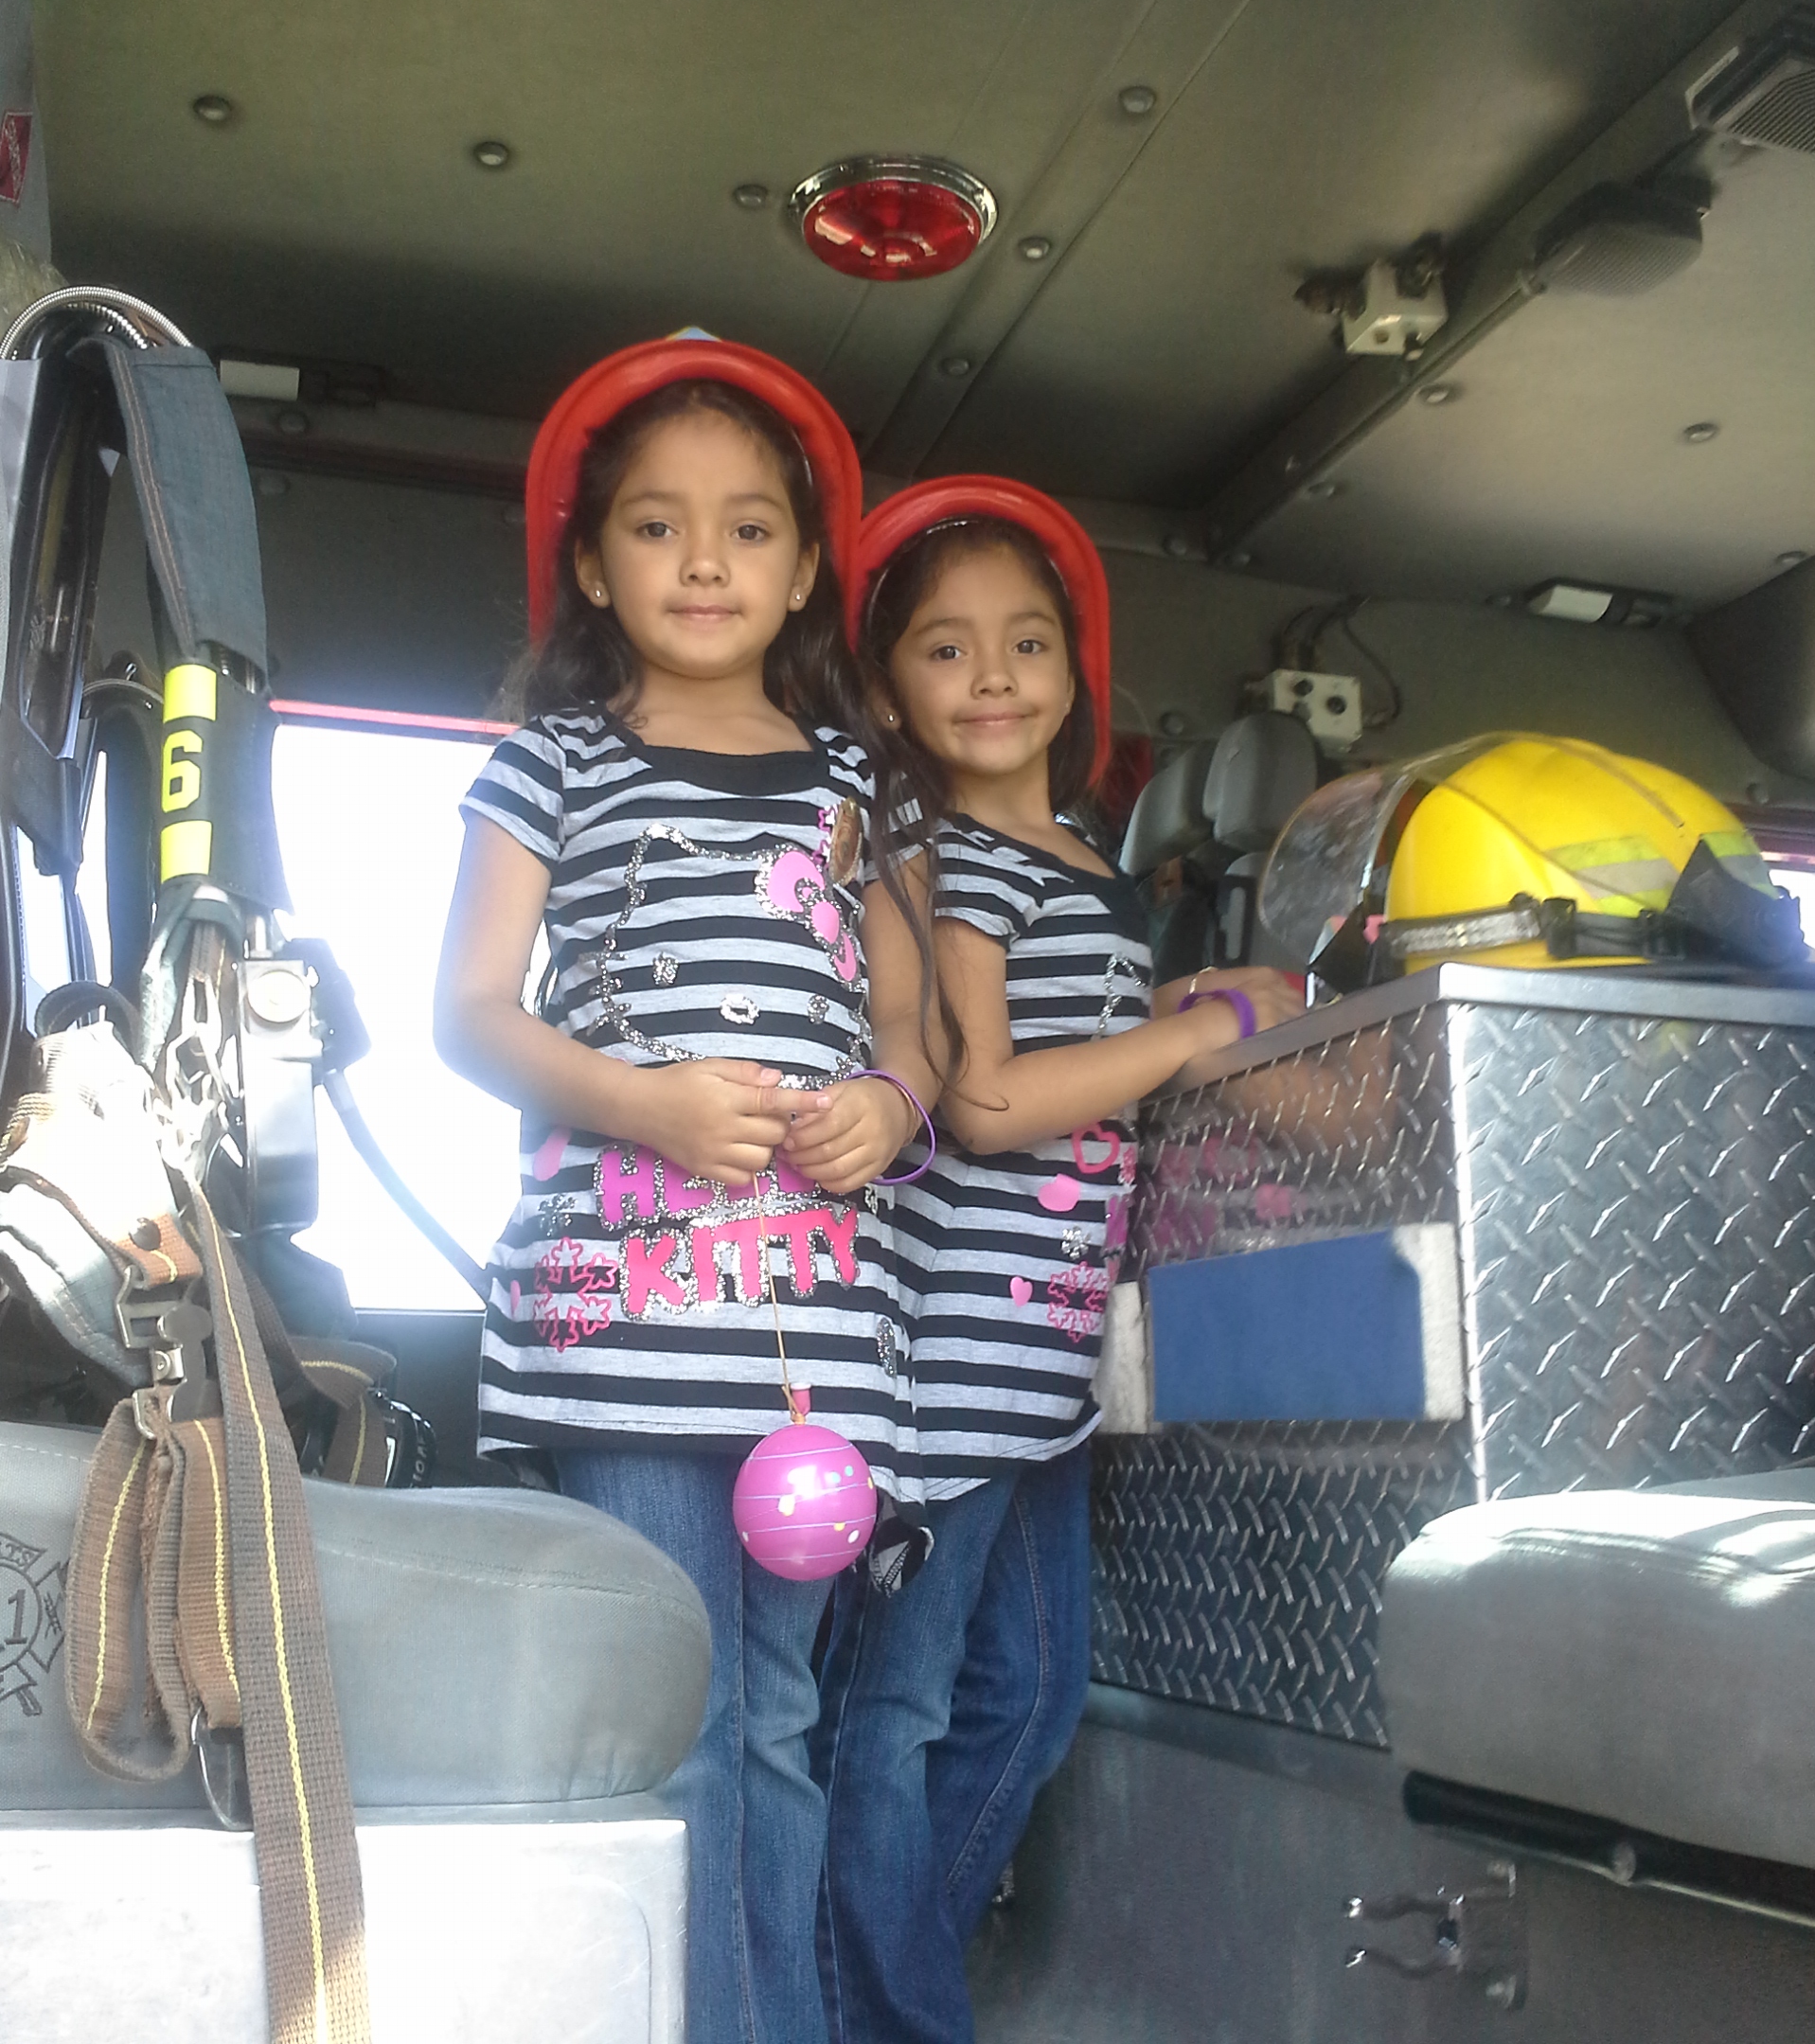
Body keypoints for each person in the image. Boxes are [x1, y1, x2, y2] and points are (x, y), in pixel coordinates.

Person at [435, 335, 935, 2044]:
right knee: (681, 1717)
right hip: (623, 1335)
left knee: (782, 1714)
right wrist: (643, 1101)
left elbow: (919, 1025)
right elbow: (471, 1014)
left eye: (746, 530)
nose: (705, 561)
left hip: (812, 1354)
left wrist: (891, 1100)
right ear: (593, 561)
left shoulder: (857, 784)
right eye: (657, 527)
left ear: (803, 569)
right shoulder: (550, 761)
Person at [813, 477, 1302, 2044]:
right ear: (890, 686)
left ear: (1076, 672)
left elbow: (1094, 1055)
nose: (994, 675)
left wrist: (1188, 1004)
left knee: (1030, 1699)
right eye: (945, 651)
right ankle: (889, 2014)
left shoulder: (1084, 860)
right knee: (890, 1715)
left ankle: (901, 1980)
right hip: (947, 1360)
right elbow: (994, 1097)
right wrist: (1199, 1027)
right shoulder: (947, 857)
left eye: (1027, 642)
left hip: (1046, 1373)